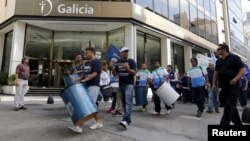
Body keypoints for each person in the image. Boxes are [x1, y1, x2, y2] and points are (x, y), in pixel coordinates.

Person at [68, 47, 103, 133]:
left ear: (92, 53)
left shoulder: (97, 61)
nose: (85, 54)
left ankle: (79, 126)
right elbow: (84, 73)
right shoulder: (87, 63)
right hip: (86, 85)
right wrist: (78, 79)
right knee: (92, 105)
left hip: (94, 85)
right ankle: (99, 122)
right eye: (85, 53)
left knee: (88, 106)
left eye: (87, 53)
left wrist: (85, 80)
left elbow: (95, 73)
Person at [212, 43, 245, 125]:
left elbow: (242, 70)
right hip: (223, 86)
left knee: (229, 105)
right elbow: (216, 73)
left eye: (218, 49)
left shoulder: (234, 58)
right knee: (229, 105)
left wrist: (235, 79)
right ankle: (238, 123)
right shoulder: (218, 61)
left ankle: (223, 124)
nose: (217, 51)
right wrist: (213, 83)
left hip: (233, 86)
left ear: (224, 49)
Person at [113, 46, 137, 129]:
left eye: (127, 51)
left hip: (129, 84)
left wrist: (127, 68)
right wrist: (112, 68)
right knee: (123, 103)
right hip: (121, 84)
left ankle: (126, 120)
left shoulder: (131, 61)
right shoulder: (118, 62)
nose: (126, 53)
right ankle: (127, 119)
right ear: (121, 53)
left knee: (128, 102)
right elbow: (115, 74)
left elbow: (134, 73)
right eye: (124, 52)